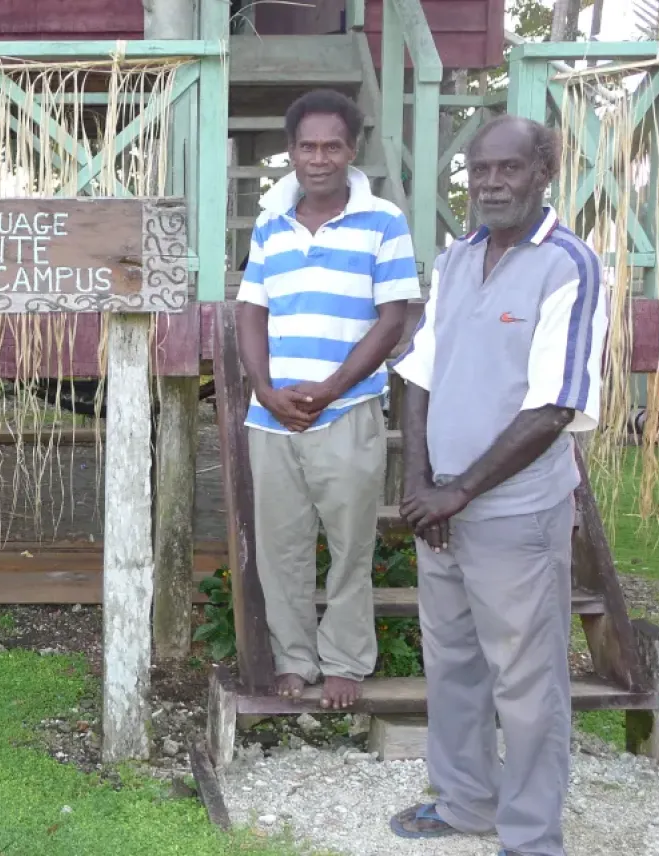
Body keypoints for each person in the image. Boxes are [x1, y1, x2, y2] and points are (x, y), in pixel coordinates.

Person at [387, 115, 608, 856]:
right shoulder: (458, 258)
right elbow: (420, 371)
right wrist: (421, 480)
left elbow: (556, 405)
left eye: (508, 169)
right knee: (452, 663)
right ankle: (463, 803)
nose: (490, 183)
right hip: (443, 507)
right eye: (480, 170)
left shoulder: (568, 265)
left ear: (544, 171)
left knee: (525, 680)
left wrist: (462, 490)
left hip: (513, 513)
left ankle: (531, 835)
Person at [235, 89, 420, 709]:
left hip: (346, 411)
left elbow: (393, 318)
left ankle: (344, 661)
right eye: (307, 146)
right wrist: (264, 390)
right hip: (273, 417)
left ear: (352, 150)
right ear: (291, 151)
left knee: (350, 545)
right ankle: (293, 658)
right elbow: (251, 313)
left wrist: (332, 388)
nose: (319, 158)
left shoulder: (384, 220)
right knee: (280, 547)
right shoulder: (269, 223)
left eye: (331, 146)